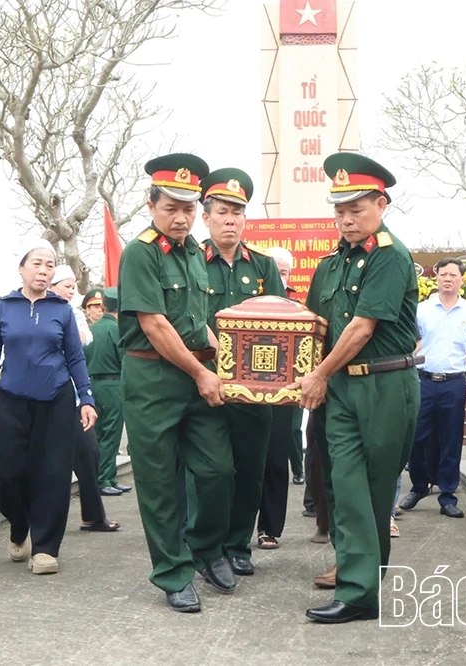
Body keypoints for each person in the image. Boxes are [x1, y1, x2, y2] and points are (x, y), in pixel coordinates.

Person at [294, 152, 419, 624]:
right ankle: (358, 587)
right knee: (345, 486)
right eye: (340, 211)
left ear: (381, 205)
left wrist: (319, 374)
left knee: (373, 489)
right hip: (341, 388)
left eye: (356, 210)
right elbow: (314, 327)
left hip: (385, 385)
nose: (346, 220)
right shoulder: (331, 264)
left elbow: (362, 328)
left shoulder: (389, 255)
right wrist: (300, 372)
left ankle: (364, 584)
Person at [118, 153, 235, 613]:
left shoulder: (193, 253)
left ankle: (205, 547)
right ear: (151, 206)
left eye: (188, 209)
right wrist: (202, 372)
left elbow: (195, 319)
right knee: (160, 482)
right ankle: (172, 572)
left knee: (217, 471)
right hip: (153, 379)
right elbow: (155, 325)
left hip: (197, 375)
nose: (181, 218)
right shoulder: (140, 252)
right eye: (171, 208)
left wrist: (225, 362)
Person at [0, 240, 96, 575]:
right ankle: (19, 524)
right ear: (22, 269)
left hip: (56, 399)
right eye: (37, 264)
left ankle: (45, 549)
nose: (43, 271)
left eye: (50, 265)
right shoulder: (3, 307)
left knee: (53, 474)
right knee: (1, 474)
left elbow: (75, 357)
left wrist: (86, 398)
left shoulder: (61, 310)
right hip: (12, 399)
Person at [193, 167, 285, 574]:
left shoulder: (263, 266)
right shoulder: (192, 262)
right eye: (222, 212)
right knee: (212, 472)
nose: (230, 220)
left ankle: (237, 547)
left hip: (255, 390)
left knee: (250, 470)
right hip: (205, 384)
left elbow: (283, 322)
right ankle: (206, 545)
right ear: (206, 216)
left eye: (237, 212)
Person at [399, 258, 466, 519]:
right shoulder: (421, 310)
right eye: (443, 274)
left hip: (454, 383)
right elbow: (410, 344)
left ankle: (447, 495)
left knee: (451, 440)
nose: (448, 279)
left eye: (453, 275)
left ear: (461, 279)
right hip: (422, 380)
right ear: (436, 278)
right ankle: (419, 485)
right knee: (415, 437)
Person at [48, 267, 119, 533]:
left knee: (89, 452)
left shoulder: (72, 313)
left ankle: (93, 516)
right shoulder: (31, 310)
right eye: (66, 286)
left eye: (73, 287)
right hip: (41, 396)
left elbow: (83, 339)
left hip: (73, 395)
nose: (71, 292)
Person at [257, 246, 301, 549]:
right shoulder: (244, 307)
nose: (277, 276)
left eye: (282, 271)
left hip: (282, 395)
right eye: (272, 270)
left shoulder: (298, 312)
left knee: (275, 460)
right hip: (242, 394)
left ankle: (269, 528)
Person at [85, 287, 128, 497]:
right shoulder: (117, 329)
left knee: (99, 433)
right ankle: (104, 478)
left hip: (91, 385)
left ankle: (107, 477)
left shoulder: (90, 329)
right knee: (111, 434)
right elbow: (124, 360)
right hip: (113, 385)